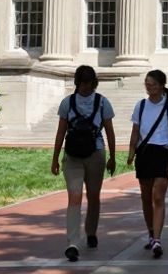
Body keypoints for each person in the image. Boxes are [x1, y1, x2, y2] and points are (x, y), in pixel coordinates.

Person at [50, 65, 118, 262]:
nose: (85, 87)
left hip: (95, 153)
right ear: (77, 82)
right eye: (82, 82)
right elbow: (61, 131)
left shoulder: (102, 102)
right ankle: (73, 242)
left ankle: (91, 231)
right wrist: (55, 158)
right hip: (72, 155)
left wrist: (112, 157)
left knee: (94, 196)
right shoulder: (67, 103)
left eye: (88, 83)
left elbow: (110, 132)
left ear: (94, 83)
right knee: (75, 196)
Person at [126, 69, 168, 259]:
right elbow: (135, 131)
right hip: (145, 152)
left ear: (162, 85)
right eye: (147, 84)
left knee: (158, 196)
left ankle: (157, 239)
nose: (149, 88)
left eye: (153, 84)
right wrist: (131, 152)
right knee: (146, 196)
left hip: (163, 152)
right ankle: (151, 232)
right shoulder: (140, 106)